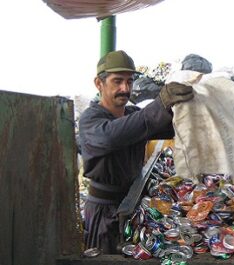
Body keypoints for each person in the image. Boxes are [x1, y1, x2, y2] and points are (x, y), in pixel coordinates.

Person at [78, 50, 194, 253]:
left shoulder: (134, 115)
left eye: (129, 82)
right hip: (103, 211)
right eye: (117, 81)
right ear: (99, 83)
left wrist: (189, 109)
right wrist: (160, 103)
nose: (125, 88)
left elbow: (167, 126)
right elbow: (113, 136)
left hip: (133, 207)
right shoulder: (91, 119)